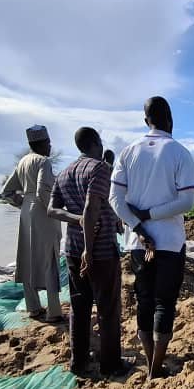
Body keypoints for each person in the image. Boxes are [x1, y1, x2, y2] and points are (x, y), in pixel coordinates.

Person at [109, 96, 194, 379]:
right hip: (170, 242)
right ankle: (155, 369)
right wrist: (152, 214)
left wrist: (138, 224)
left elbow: (115, 200)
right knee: (165, 303)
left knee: (145, 300)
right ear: (170, 119)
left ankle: (151, 363)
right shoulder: (179, 152)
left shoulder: (128, 152)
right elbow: (187, 201)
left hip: (138, 244)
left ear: (146, 120)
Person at [48, 127, 129, 376]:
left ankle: (79, 363)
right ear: (96, 142)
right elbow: (91, 207)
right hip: (100, 251)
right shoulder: (100, 168)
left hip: (71, 250)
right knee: (108, 309)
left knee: (79, 307)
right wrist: (89, 250)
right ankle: (110, 364)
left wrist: (75, 220)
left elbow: (52, 210)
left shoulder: (64, 173)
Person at [2, 125, 64, 323]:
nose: (50, 146)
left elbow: (6, 192)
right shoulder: (43, 161)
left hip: (26, 213)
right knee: (49, 259)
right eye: (48, 143)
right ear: (43, 144)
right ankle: (54, 311)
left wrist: (23, 204)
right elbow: (43, 191)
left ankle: (33, 307)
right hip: (42, 212)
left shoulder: (22, 162)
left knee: (28, 258)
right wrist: (53, 209)